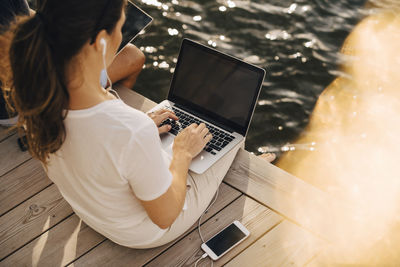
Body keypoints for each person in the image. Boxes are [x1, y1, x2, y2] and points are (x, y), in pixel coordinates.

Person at [3, 0, 243, 248]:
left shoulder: (36, 97)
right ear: (101, 42)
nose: (121, 35)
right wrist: (181, 154)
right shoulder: (131, 129)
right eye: (119, 26)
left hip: (89, 210)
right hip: (143, 233)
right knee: (234, 139)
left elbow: (100, 139)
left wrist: (142, 131)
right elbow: (165, 216)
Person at [0, 0, 145, 127]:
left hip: (29, 78)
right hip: (21, 103)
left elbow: (22, 19)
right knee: (133, 57)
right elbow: (10, 62)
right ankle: (98, 117)